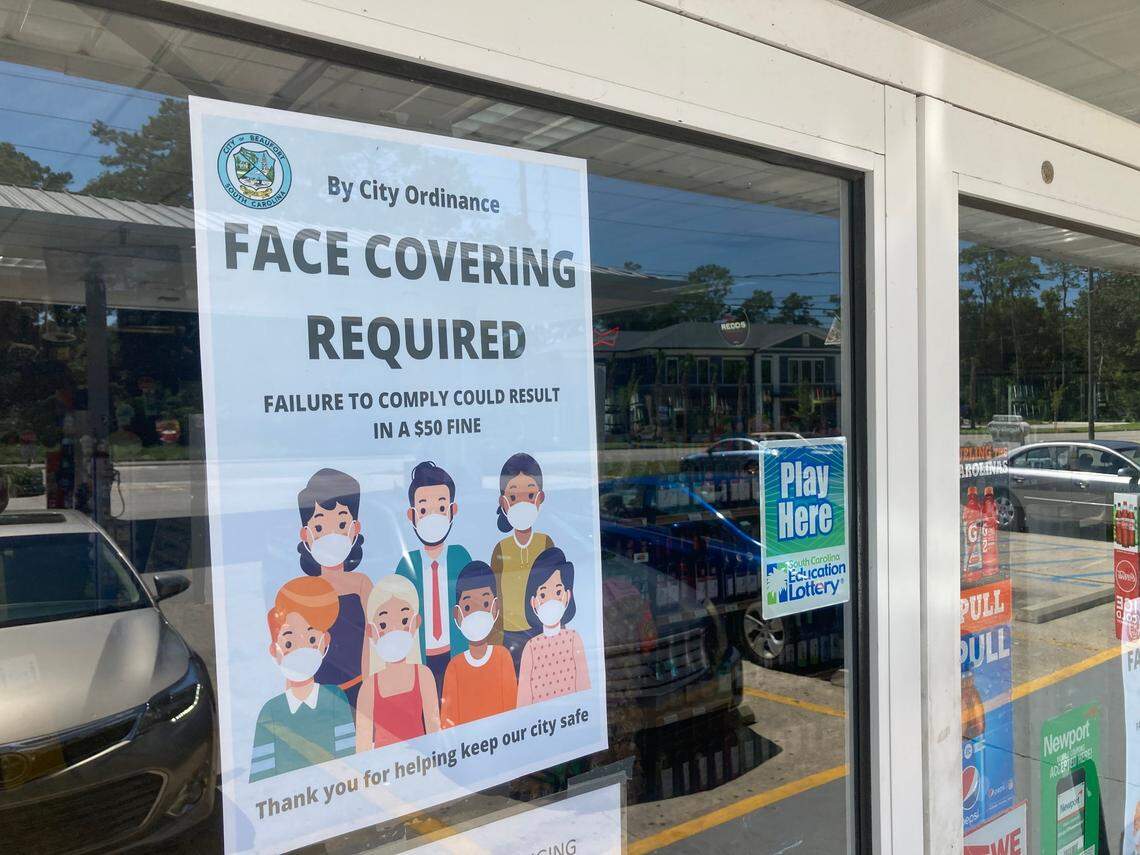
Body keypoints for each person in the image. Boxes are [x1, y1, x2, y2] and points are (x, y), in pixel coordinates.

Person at [249, 577, 356, 782]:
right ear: (274, 650)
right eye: (289, 642)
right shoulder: (270, 710)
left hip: (336, 791)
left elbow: (349, 759)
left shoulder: (335, 698)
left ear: (324, 642)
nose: (302, 649)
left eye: (312, 639)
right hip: (286, 801)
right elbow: (260, 776)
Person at [394, 461, 472, 699]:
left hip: (457, 655)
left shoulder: (460, 557)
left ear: (452, 510)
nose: (432, 518)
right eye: (424, 510)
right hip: (421, 659)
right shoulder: (407, 566)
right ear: (412, 515)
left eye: (440, 508)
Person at [297, 468, 372, 709]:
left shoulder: (361, 584)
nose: (332, 535)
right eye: (320, 528)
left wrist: (370, 685)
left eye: (341, 523)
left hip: (360, 686)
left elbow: (372, 638)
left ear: (355, 528)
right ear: (306, 534)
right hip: (320, 695)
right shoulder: (304, 592)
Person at [356, 573, 440, 751]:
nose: (394, 630)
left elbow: (435, 731)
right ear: (371, 631)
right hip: (385, 772)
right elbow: (362, 747)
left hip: (421, 765)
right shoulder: (369, 687)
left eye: (403, 620)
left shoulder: (423, 675)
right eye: (384, 624)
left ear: (416, 623)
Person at [490, 453, 554, 672]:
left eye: (530, 494)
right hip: (509, 638)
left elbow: (557, 588)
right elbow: (494, 599)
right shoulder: (501, 549)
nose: (523, 503)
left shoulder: (545, 543)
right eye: (514, 497)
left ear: (540, 498)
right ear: (504, 502)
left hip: (540, 632)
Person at [439, 561, 517, 728]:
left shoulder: (502, 656)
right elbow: (448, 720)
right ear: (457, 614)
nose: (477, 613)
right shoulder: (454, 667)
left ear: (495, 608)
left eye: (485, 604)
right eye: (467, 606)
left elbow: (512, 710)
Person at [516, 547, 590, 706]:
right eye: (543, 594)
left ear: (567, 596)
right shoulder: (530, 648)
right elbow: (523, 700)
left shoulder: (573, 639)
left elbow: (584, 690)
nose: (551, 601)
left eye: (557, 592)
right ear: (533, 602)